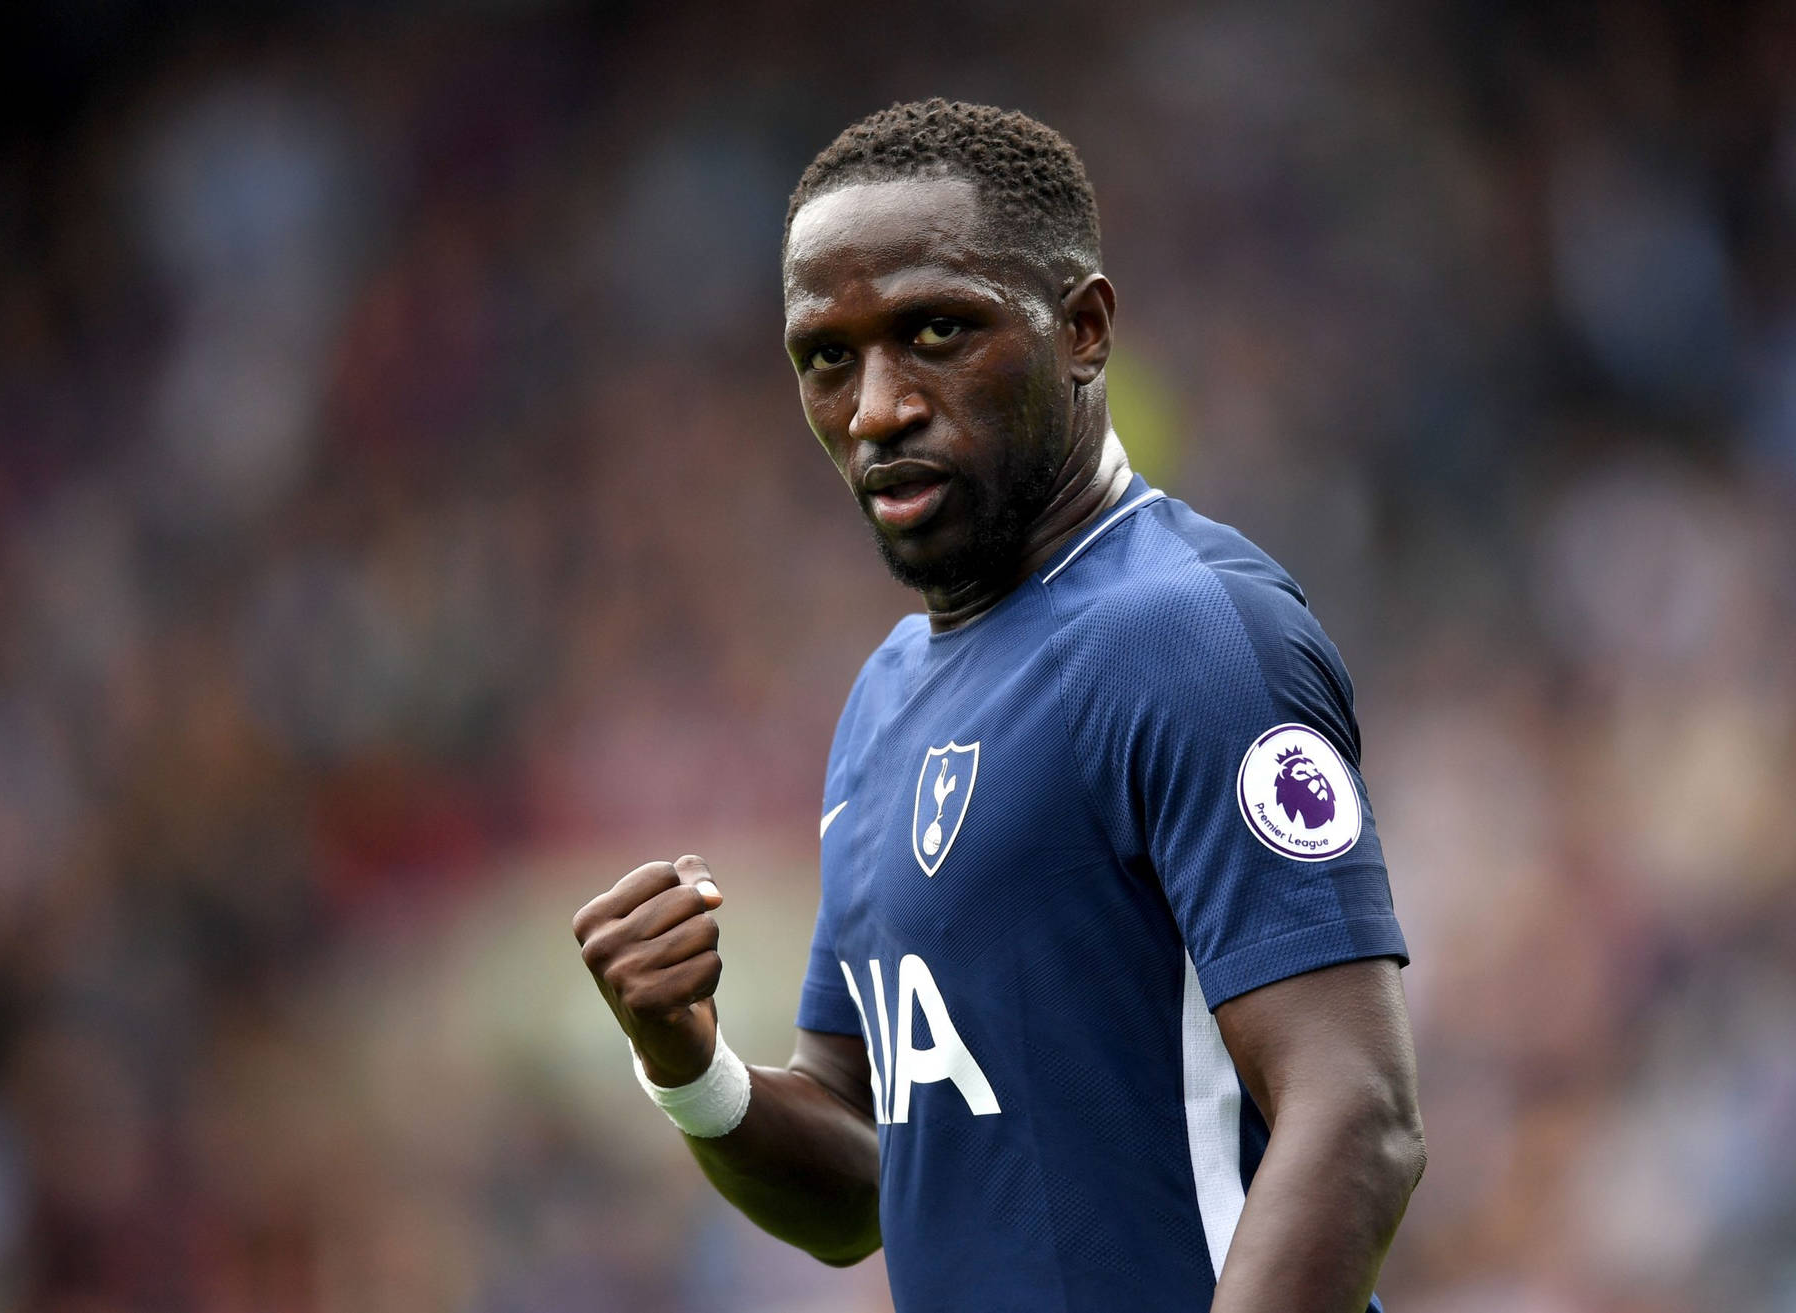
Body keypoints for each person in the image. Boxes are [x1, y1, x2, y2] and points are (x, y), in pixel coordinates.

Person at [573, 99, 1425, 1313]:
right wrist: (687, 1061)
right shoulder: (884, 701)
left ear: (1082, 329)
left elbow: (1360, 1116)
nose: (877, 407)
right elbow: (865, 1184)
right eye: (828, 354)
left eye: (935, 331)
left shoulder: (1187, 636)